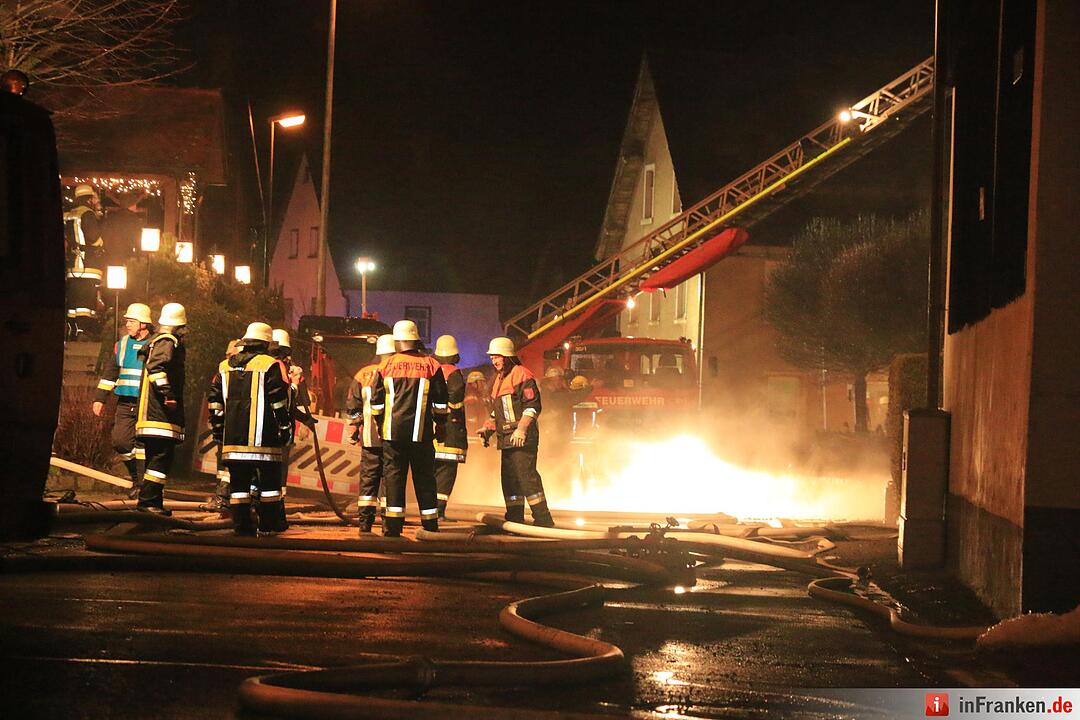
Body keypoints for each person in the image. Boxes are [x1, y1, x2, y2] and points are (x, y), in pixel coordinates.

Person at [208, 322, 293, 535]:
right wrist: (284, 427)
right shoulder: (269, 364)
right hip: (264, 441)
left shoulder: (224, 367)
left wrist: (218, 430)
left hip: (233, 442)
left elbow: (215, 403)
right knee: (270, 488)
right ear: (265, 344)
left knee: (238, 488)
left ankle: (242, 528)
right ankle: (268, 526)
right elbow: (278, 401)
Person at [369, 320, 448, 536]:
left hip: (392, 434)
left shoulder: (385, 366)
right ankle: (430, 525)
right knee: (425, 478)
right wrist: (441, 424)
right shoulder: (432, 365)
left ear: (397, 341)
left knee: (394, 478)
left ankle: (393, 527)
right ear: (416, 339)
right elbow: (441, 401)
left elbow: (375, 402)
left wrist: (378, 422)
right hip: (422, 434)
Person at [482, 337, 554, 527]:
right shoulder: (499, 379)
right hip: (506, 437)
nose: (494, 361)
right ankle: (514, 517)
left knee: (526, 477)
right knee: (510, 480)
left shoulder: (521, 374)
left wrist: (521, 430)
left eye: (497, 357)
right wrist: (488, 427)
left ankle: (543, 518)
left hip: (522, 437)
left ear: (507, 357)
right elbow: (497, 410)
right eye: (492, 358)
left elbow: (533, 406)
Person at [93, 303, 153, 495]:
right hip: (125, 402)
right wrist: (100, 398)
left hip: (146, 404)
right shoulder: (123, 344)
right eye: (127, 321)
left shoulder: (156, 344)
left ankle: (142, 485)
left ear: (144, 324)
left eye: (132, 321)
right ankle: (138, 479)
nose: (128, 324)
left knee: (144, 446)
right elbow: (110, 373)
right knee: (121, 442)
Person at [134, 302, 187, 514]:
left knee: (154, 457)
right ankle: (148, 503)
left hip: (150, 413)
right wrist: (168, 395)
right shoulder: (168, 341)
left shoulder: (155, 341)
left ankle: (152, 502)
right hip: (159, 414)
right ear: (180, 326)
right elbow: (156, 368)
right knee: (161, 457)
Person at [345, 333, 395, 533]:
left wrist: (356, 427)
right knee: (389, 479)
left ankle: (365, 523)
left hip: (369, 438)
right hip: (392, 437)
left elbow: (353, 405)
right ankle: (387, 523)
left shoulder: (362, 374)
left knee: (368, 479)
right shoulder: (396, 371)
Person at [270, 328, 316, 508]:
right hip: (277, 430)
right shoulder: (277, 369)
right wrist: (295, 384)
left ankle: (274, 505)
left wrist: (305, 419)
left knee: (276, 471)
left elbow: (294, 404)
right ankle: (275, 508)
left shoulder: (276, 368)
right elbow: (285, 399)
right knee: (277, 471)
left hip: (272, 428)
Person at [432, 335, 468, 519]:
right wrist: (454, 412)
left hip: (431, 429)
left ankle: (429, 511)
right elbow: (455, 397)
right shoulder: (453, 373)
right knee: (447, 472)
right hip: (450, 431)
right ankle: (438, 511)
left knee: (432, 470)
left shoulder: (431, 369)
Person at [64, 184, 103, 339]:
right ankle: (84, 329)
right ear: (89, 198)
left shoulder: (69, 214)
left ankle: (72, 329)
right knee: (86, 299)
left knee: (74, 298)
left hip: (72, 263)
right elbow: (93, 238)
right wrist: (101, 244)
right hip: (88, 264)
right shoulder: (87, 214)